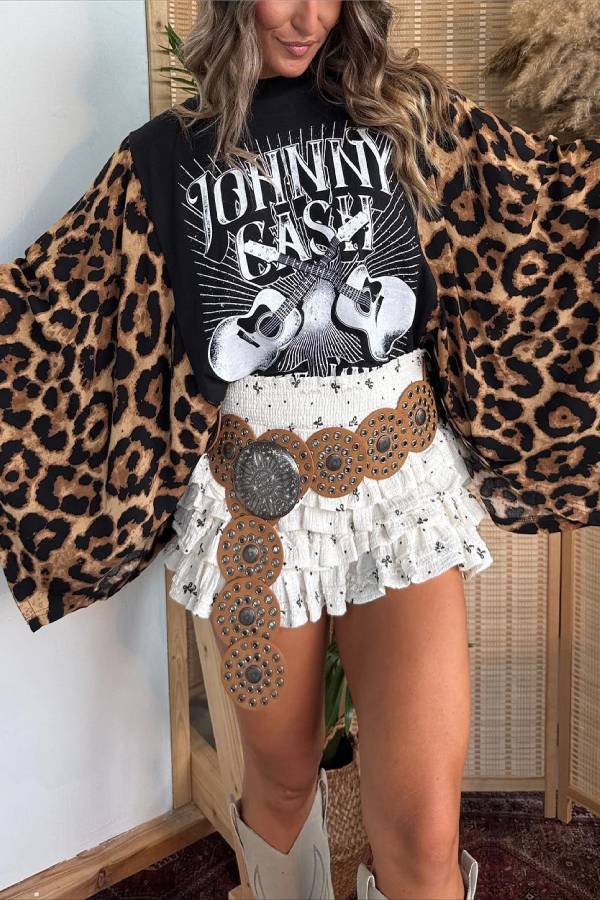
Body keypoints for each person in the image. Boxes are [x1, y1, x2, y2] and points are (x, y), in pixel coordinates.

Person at [1, 2, 597, 899]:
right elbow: (54, 313)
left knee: (425, 833)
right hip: (257, 516)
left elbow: (544, 211)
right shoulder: (162, 159)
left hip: (399, 500)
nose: (309, 15)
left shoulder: (411, 117)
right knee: (281, 788)